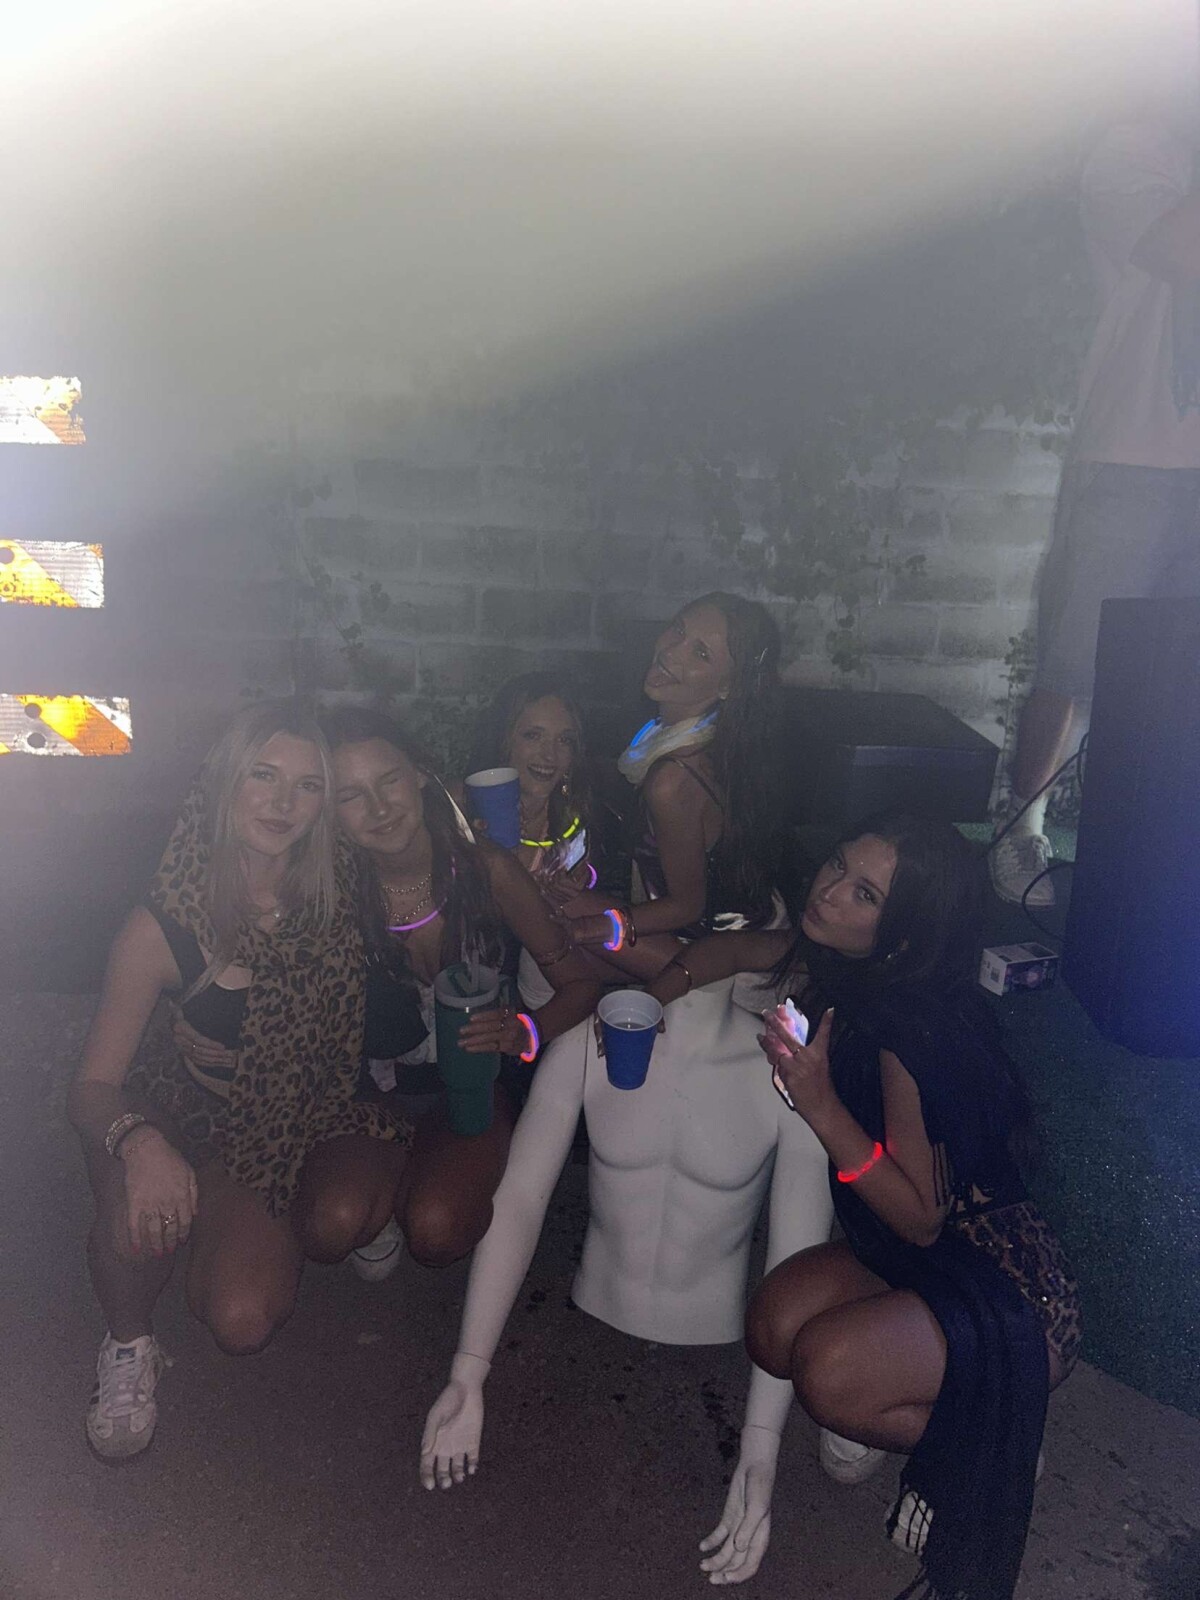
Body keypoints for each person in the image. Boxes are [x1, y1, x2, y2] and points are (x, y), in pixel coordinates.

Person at [663, 811, 1081, 1600]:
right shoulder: (848, 969)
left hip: (1009, 1291)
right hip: (922, 1257)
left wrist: (819, 1104)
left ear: (904, 934)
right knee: (773, 1325)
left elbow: (921, 1216)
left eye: (864, 894)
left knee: (828, 1378)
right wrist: (639, 969)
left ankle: (998, 1432)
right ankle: (932, 1389)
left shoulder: (905, 1029)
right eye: (836, 865)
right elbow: (732, 951)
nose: (828, 892)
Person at [419, 939, 834, 1586]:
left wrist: (761, 1444)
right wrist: (467, 1371)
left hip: (715, 1334)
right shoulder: (591, 1039)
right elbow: (521, 1197)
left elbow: (795, 1264)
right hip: (595, 1306)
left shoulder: (785, 1070)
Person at [69, 702, 411, 1461]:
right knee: (145, 1218)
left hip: (304, 1113)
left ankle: (326, 1203)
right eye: (263, 775)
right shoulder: (165, 922)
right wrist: (141, 1142)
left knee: (252, 1308)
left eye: (307, 785)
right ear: (224, 783)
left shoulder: (342, 886)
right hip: (190, 1111)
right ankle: (128, 1342)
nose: (283, 803)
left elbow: (427, 870)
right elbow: (91, 1087)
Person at [991, 111, 1200, 906]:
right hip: (1133, 451)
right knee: (1076, 660)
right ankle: (1023, 827)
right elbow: (1184, 248)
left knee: (1180, 672)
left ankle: (1149, 839)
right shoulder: (1137, 151)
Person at [560, 591, 782, 981]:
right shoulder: (704, 736)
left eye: (701, 653)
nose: (671, 652)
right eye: (678, 629)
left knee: (549, 919)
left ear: (728, 686)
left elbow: (686, 906)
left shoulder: (673, 779)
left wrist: (587, 930)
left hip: (714, 953)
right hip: (755, 916)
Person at [465, 672, 595, 887]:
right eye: (533, 736)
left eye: (564, 740)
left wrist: (572, 893)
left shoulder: (572, 824)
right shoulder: (460, 810)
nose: (550, 755)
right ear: (503, 740)